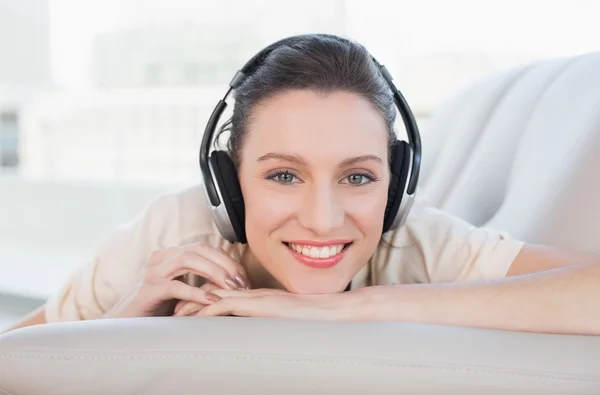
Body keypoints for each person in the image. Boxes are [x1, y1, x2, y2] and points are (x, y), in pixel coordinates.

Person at [4, 33, 600, 335]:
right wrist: (123, 323)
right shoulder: (174, 237)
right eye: (284, 175)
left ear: (397, 187)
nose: (322, 219)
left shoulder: (416, 247)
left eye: (358, 176)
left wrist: (369, 305)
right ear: (228, 185)